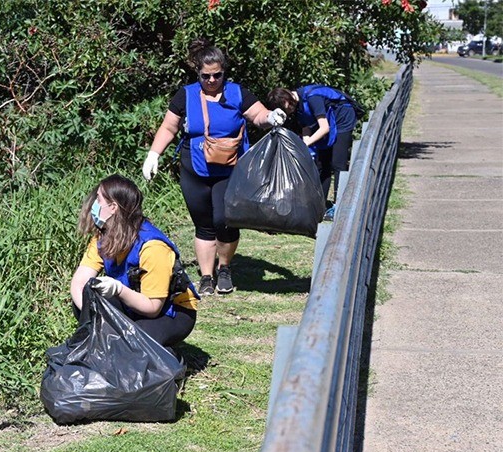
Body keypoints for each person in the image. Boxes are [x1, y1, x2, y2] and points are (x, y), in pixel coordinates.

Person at [141, 38, 287, 295]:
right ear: (198, 72)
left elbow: (258, 115)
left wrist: (272, 117)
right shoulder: (185, 95)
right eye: (205, 76)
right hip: (194, 168)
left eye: (217, 75)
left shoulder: (237, 93)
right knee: (203, 223)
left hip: (229, 169)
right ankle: (207, 276)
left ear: (224, 72)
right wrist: (153, 154)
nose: (211, 80)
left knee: (225, 220)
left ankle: (225, 268)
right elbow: (169, 127)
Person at [70, 174, 199, 347]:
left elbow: (153, 308)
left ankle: (169, 359)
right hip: (132, 303)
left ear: (113, 207)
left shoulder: (152, 247)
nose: (94, 204)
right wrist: (92, 317)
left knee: (132, 344)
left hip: (171, 311)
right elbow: (78, 283)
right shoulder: (102, 237)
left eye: (98, 199)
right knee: (88, 301)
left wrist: (118, 289)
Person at [266, 85, 363, 221]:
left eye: (285, 108)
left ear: (287, 101)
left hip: (342, 117)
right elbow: (306, 127)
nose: (287, 112)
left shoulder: (313, 98)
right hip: (328, 120)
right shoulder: (297, 106)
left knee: (337, 163)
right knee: (322, 164)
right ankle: (319, 206)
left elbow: (324, 128)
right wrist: (306, 143)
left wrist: (306, 143)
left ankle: (339, 205)